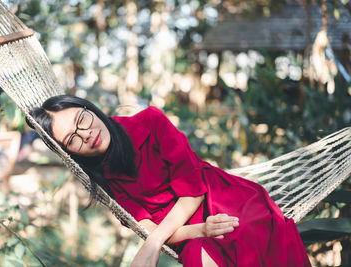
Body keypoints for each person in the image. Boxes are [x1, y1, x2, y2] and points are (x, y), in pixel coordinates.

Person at [26, 94, 311, 267]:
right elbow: (146, 227)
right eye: (72, 139)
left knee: (246, 240)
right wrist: (199, 231)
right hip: (187, 232)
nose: (85, 134)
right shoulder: (104, 181)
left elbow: (193, 192)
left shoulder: (151, 121)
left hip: (222, 199)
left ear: (89, 109)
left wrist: (151, 245)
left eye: (81, 120)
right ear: (68, 152)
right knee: (200, 257)